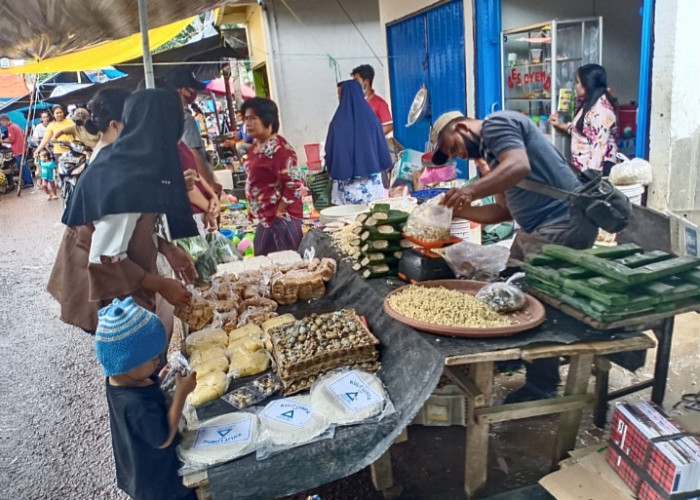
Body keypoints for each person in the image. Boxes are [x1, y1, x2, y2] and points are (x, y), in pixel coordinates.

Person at [432, 109, 598, 402]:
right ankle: (519, 357)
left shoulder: (497, 124)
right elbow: (503, 211)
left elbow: (519, 166)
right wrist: (455, 210)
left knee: (537, 298)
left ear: (461, 127)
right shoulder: (493, 159)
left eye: (453, 147)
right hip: (536, 229)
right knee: (507, 286)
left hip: (563, 223)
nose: (458, 155)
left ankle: (542, 385)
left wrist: (470, 190)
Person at [47, 88, 198, 334]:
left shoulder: (125, 161)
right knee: (130, 364)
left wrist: (166, 247)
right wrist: (161, 285)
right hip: (106, 285)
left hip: (119, 273)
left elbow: (132, 225)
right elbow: (106, 258)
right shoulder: (122, 179)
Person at [95, 297, 197, 500]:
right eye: (153, 359)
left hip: (143, 470)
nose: (158, 361)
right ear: (128, 363)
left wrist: (159, 379)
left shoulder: (124, 378)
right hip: (159, 483)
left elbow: (146, 388)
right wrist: (181, 394)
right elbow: (163, 438)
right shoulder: (134, 404)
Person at [241, 97, 305, 255]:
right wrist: (253, 207)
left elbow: (295, 184)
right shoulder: (256, 146)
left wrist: (280, 210)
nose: (248, 123)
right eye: (246, 118)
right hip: (266, 217)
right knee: (263, 258)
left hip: (282, 220)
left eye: (253, 118)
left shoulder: (281, 150)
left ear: (268, 121)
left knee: (289, 265)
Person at [325, 80, 393, 205]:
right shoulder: (372, 120)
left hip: (346, 184)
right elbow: (381, 147)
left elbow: (329, 151)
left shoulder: (337, 123)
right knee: (372, 217)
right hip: (371, 184)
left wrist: (333, 168)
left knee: (348, 221)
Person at [549, 64, 619, 175]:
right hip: (584, 169)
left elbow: (599, 147)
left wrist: (591, 178)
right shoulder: (589, 103)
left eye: (577, 82)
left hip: (594, 173)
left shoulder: (601, 110)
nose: (575, 86)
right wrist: (560, 124)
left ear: (588, 84)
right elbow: (581, 130)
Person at [168, 69, 223, 198]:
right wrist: (210, 184)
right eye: (192, 88)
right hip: (196, 186)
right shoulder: (185, 118)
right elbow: (192, 152)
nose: (194, 92)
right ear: (182, 90)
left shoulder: (168, 116)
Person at [351, 64, 393, 135]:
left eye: (357, 81)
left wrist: (371, 136)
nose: (354, 85)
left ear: (366, 81)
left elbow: (388, 126)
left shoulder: (380, 103)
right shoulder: (354, 102)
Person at [0, 113, 33, 187]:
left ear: (4, 120)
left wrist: (3, 141)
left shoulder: (11, 127)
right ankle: (27, 181)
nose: (2, 124)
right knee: (23, 166)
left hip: (19, 150)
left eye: (2, 122)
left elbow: (12, 139)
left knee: (23, 167)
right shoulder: (16, 125)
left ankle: (28, 182)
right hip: (21, 149)